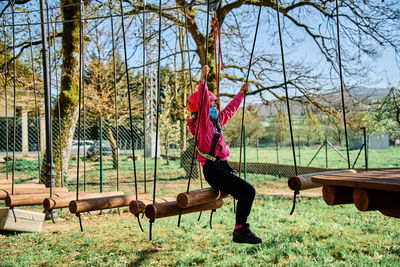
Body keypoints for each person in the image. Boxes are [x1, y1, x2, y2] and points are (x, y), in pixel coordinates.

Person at [186, 65, 262, 244]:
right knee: (248, 191)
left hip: (222, 168)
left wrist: (241, 94)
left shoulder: (215, 122)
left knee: (246, 193)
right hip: (213, 169)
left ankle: (240, 229)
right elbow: (204, 102)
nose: (214, 106)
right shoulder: (202, 125)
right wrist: (202, 81)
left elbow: (230, 110)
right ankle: (240, 230)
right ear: (202, 108)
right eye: (212, 104)